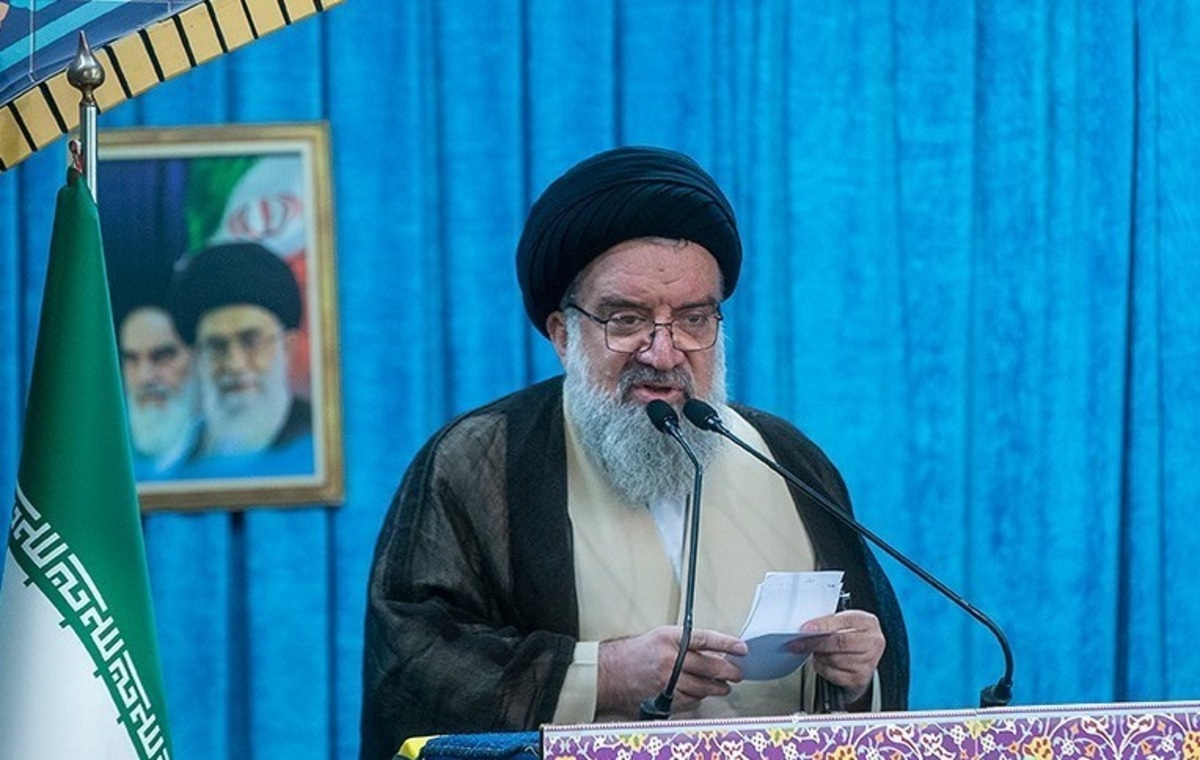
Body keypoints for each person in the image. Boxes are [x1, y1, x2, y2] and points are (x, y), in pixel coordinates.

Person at [360, 146, 909, 760]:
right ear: (563, 334)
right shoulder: (480, 462)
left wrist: (856, 677)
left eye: (694, 320)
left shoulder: (787, 459)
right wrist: (604, 676)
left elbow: (866, 698)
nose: (663, 353)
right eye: (626, 319)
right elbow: (411, 668)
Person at [169, 241, 314, 478]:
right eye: (216, 346)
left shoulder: (318, 443)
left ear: (288, 348)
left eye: (251, 342)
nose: (235, 365)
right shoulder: (176, 457)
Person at [117, 301, 201, 480]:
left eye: (162, 356)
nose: (145, 377)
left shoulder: (220, 450)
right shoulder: (105, 450)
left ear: (197, 358)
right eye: (131, 359)